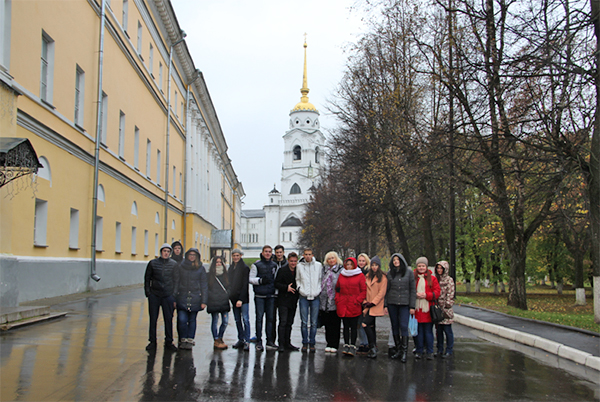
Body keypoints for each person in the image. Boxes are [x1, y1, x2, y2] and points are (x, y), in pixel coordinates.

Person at [144, 243, 178, 351]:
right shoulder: (153, 263)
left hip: (168, 295)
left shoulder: (173, 264)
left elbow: (176, 280)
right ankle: (152, 341)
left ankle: (169, 341)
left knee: (168, 319)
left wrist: (173, 295)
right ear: (161, 252)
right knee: (153, 319)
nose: (166, 253)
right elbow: (147, 278)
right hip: (155, 294)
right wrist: (148, 293)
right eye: (164, 251)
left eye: (168, 251)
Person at [173, 248, 208, 350]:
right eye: (190, 254)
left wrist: (204, 301)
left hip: (195, 297)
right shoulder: (181, 267)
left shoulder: (200, 268)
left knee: (192, 320)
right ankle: (183, 339)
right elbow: (177, 282)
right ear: (187, 255)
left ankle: (190, 339)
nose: (192, 257)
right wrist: (174, 297)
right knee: (182, 319)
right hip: (182, 296)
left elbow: (204, 285)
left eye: (194, 255)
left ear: (197, 256)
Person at [385, 253, 416, 362]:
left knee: (403, 326)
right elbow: (387, 290)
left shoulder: (409, 273)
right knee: (395, 326)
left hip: (404, 304)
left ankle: (404, 351)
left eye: (397, 259)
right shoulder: (390, 274)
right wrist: (385, 305)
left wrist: (412, 306)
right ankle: (398, 349)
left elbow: (412, 290)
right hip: (392, 303)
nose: (396, 261)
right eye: (394, 260)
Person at [335, 257, 367, 357]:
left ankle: (352, 345)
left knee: (353, 326)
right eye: (347, 264)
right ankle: (346, 345)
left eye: (351, 265)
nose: (349, 266)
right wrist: (338, 300)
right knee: (345, 326)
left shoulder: (360, 275)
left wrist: (357, 301)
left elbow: (363, 290)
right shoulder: (342, 275)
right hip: (343, 303)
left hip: (354, 304)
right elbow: (337, 289)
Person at [249, 245, 277, 351]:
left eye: (269, 252)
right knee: (259, 319)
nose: (268, 253)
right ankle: (259, 341)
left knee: (270, 319)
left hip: (270, 295)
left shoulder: (274, 265)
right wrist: (260, 281)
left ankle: (269, 341)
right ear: (262, 253)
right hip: (260, 295)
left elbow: (276, 279)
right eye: (266, 251)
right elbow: (250, 279)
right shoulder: (256, 265)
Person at [413, 256, 440, 360]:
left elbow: (437, 292)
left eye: (423, 266)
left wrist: (426, 295)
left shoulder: (432, 278)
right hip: (417, 309)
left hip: (428, 309)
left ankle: (430, 351)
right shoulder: (413, 277)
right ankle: (419, 351)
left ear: (426, 267)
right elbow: (409, 290)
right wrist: (415, 295)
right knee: (418, 332)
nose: (421, 268)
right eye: (419, 266)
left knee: (428, 331)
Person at [296, 248, 323, 352]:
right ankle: (304, 342)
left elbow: (320, 279)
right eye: (306, 254)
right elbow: (298, 279)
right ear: (303, 255)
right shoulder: (299, 266)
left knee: (314, 322)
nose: (308, 256)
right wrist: (300, 289)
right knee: (304, 322)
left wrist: (318, 290)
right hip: (304, 296)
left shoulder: (318, 265)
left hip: (315, 296)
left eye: (309, 254)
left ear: (312, 255)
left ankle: (312, 342)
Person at [362, 256, 387, 358]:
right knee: (371, 326)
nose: (374, 267)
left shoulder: (383, 277)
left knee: (365, 324)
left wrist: (373, 303)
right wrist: (365, 302)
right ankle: (373, 347)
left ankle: (372, 346)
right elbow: (364, 289)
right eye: (372, 265)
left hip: (375, 305)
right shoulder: (368, 276)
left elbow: (382, 293)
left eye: (376, 265)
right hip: (367, 304)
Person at [275, 252, 300, 352]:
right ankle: (281, 343)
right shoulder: (282, 270)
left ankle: (287, 342)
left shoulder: (298, 271)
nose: (293, 263)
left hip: (293, 300)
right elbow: (276, 283)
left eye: (295, 261)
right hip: (283, 299)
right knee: (283, 322)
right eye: (291, 261)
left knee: (290, 322)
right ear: (288, 261)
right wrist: (286, 288)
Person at [320, 251, 343, 353]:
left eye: (333, 258)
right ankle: (329, 343)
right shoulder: (324, 270)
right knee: (327, 324)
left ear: (336, 259)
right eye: (329, 259)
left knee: (335, 324)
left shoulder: (341, 270)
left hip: (335, 300)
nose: (331, 260)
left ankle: (335, 344)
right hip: (324, 301)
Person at [228, 248, 250, 351]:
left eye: (237, 255)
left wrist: (241, 299)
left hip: (243, 299)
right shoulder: (231, 268)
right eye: (234, 256)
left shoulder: (244, 268)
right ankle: (241, 339)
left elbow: (245, 285)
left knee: (245, 319)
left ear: (241, 256)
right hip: (234, 298)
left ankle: (247, 340)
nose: (236, 257)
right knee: (237, 320)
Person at [207, 255, 230, 350]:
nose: (218, 264)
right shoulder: (209, 275)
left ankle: (220, 337)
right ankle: (216, 339)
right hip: (213, 301)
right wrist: (211, 296)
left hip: (224, 301)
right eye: (217, 262)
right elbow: (207, 288)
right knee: (215, 320)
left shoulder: (226, 275)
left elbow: (229, 286)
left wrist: (227, 294)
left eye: (220, 262)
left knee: (225, 322)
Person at [435, 260, 455, 358]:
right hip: (437, 308)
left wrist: (447, 304)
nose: (439, 270)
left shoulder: (449, 280)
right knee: (438, 331)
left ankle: (449, 350)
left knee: (447, 330)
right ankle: (439, 349)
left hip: (446, 309)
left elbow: (451, 293)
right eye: (438, 268)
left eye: (441, 268)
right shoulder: (436, 279)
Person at [272, 245, 287, 346]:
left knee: (283, 320)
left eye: (280, 252)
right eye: (277, 252)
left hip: (283, 295)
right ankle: (272, 341)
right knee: (272, 319)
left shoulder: (287, 264)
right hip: (272, 295)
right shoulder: (272, 264)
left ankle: (283, 341)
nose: (279, 254)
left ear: (283, 252)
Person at [356, 253, 371, 355]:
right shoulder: (356, 272)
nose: (361, 262)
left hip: (368, 300)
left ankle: (368, 343)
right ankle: (362, 343)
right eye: (360, 261)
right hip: (358, 300)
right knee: (359, 323)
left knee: (367, 323)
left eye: (363, 261)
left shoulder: (369, 272)